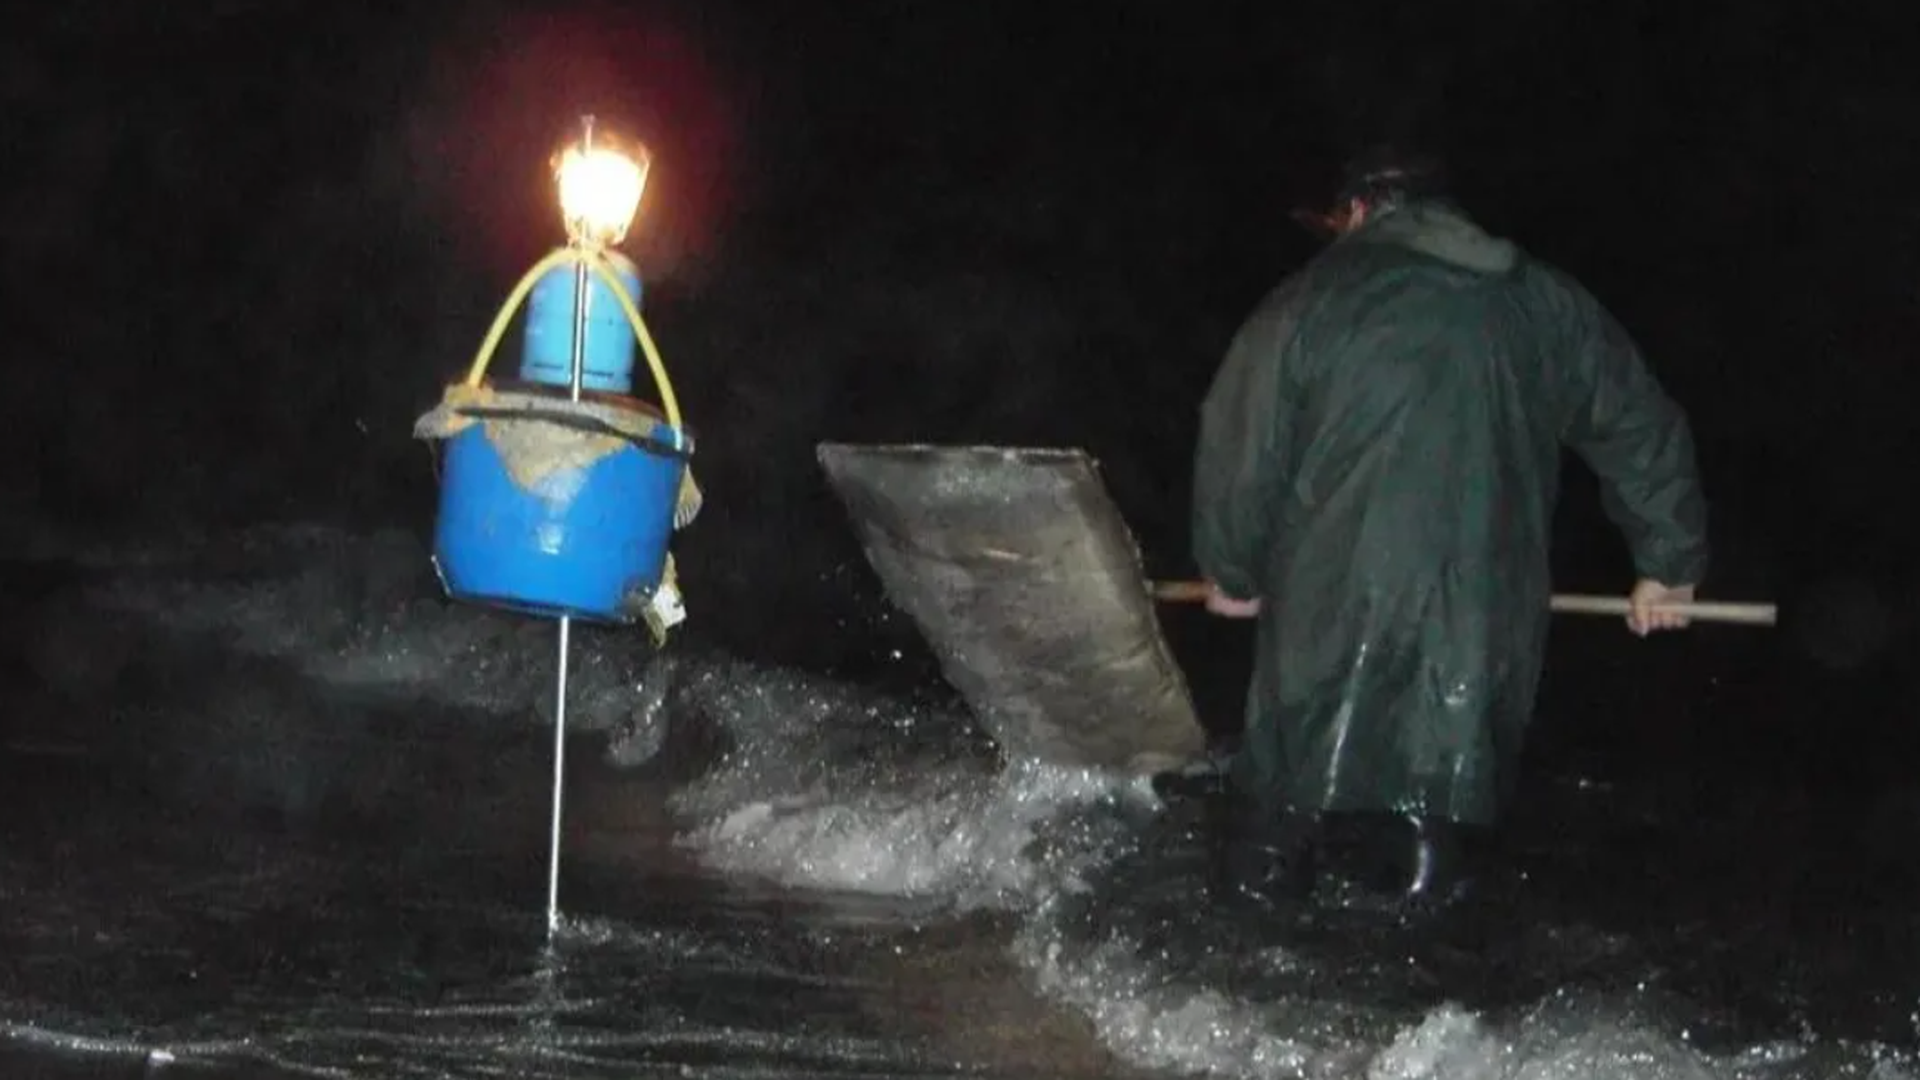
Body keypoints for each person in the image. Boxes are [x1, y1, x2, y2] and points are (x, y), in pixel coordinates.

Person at [1190, 147, 1710, 907]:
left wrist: (1233, 572)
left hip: (1331, 609)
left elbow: (1241, 448)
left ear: (1361, 209)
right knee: (1435, 835)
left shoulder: (1304, 302)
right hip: (1482, 618)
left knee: (1283, 830)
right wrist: (1669, 562)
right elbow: (1641, 428)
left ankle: (1229, 990)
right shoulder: (1544, 300)